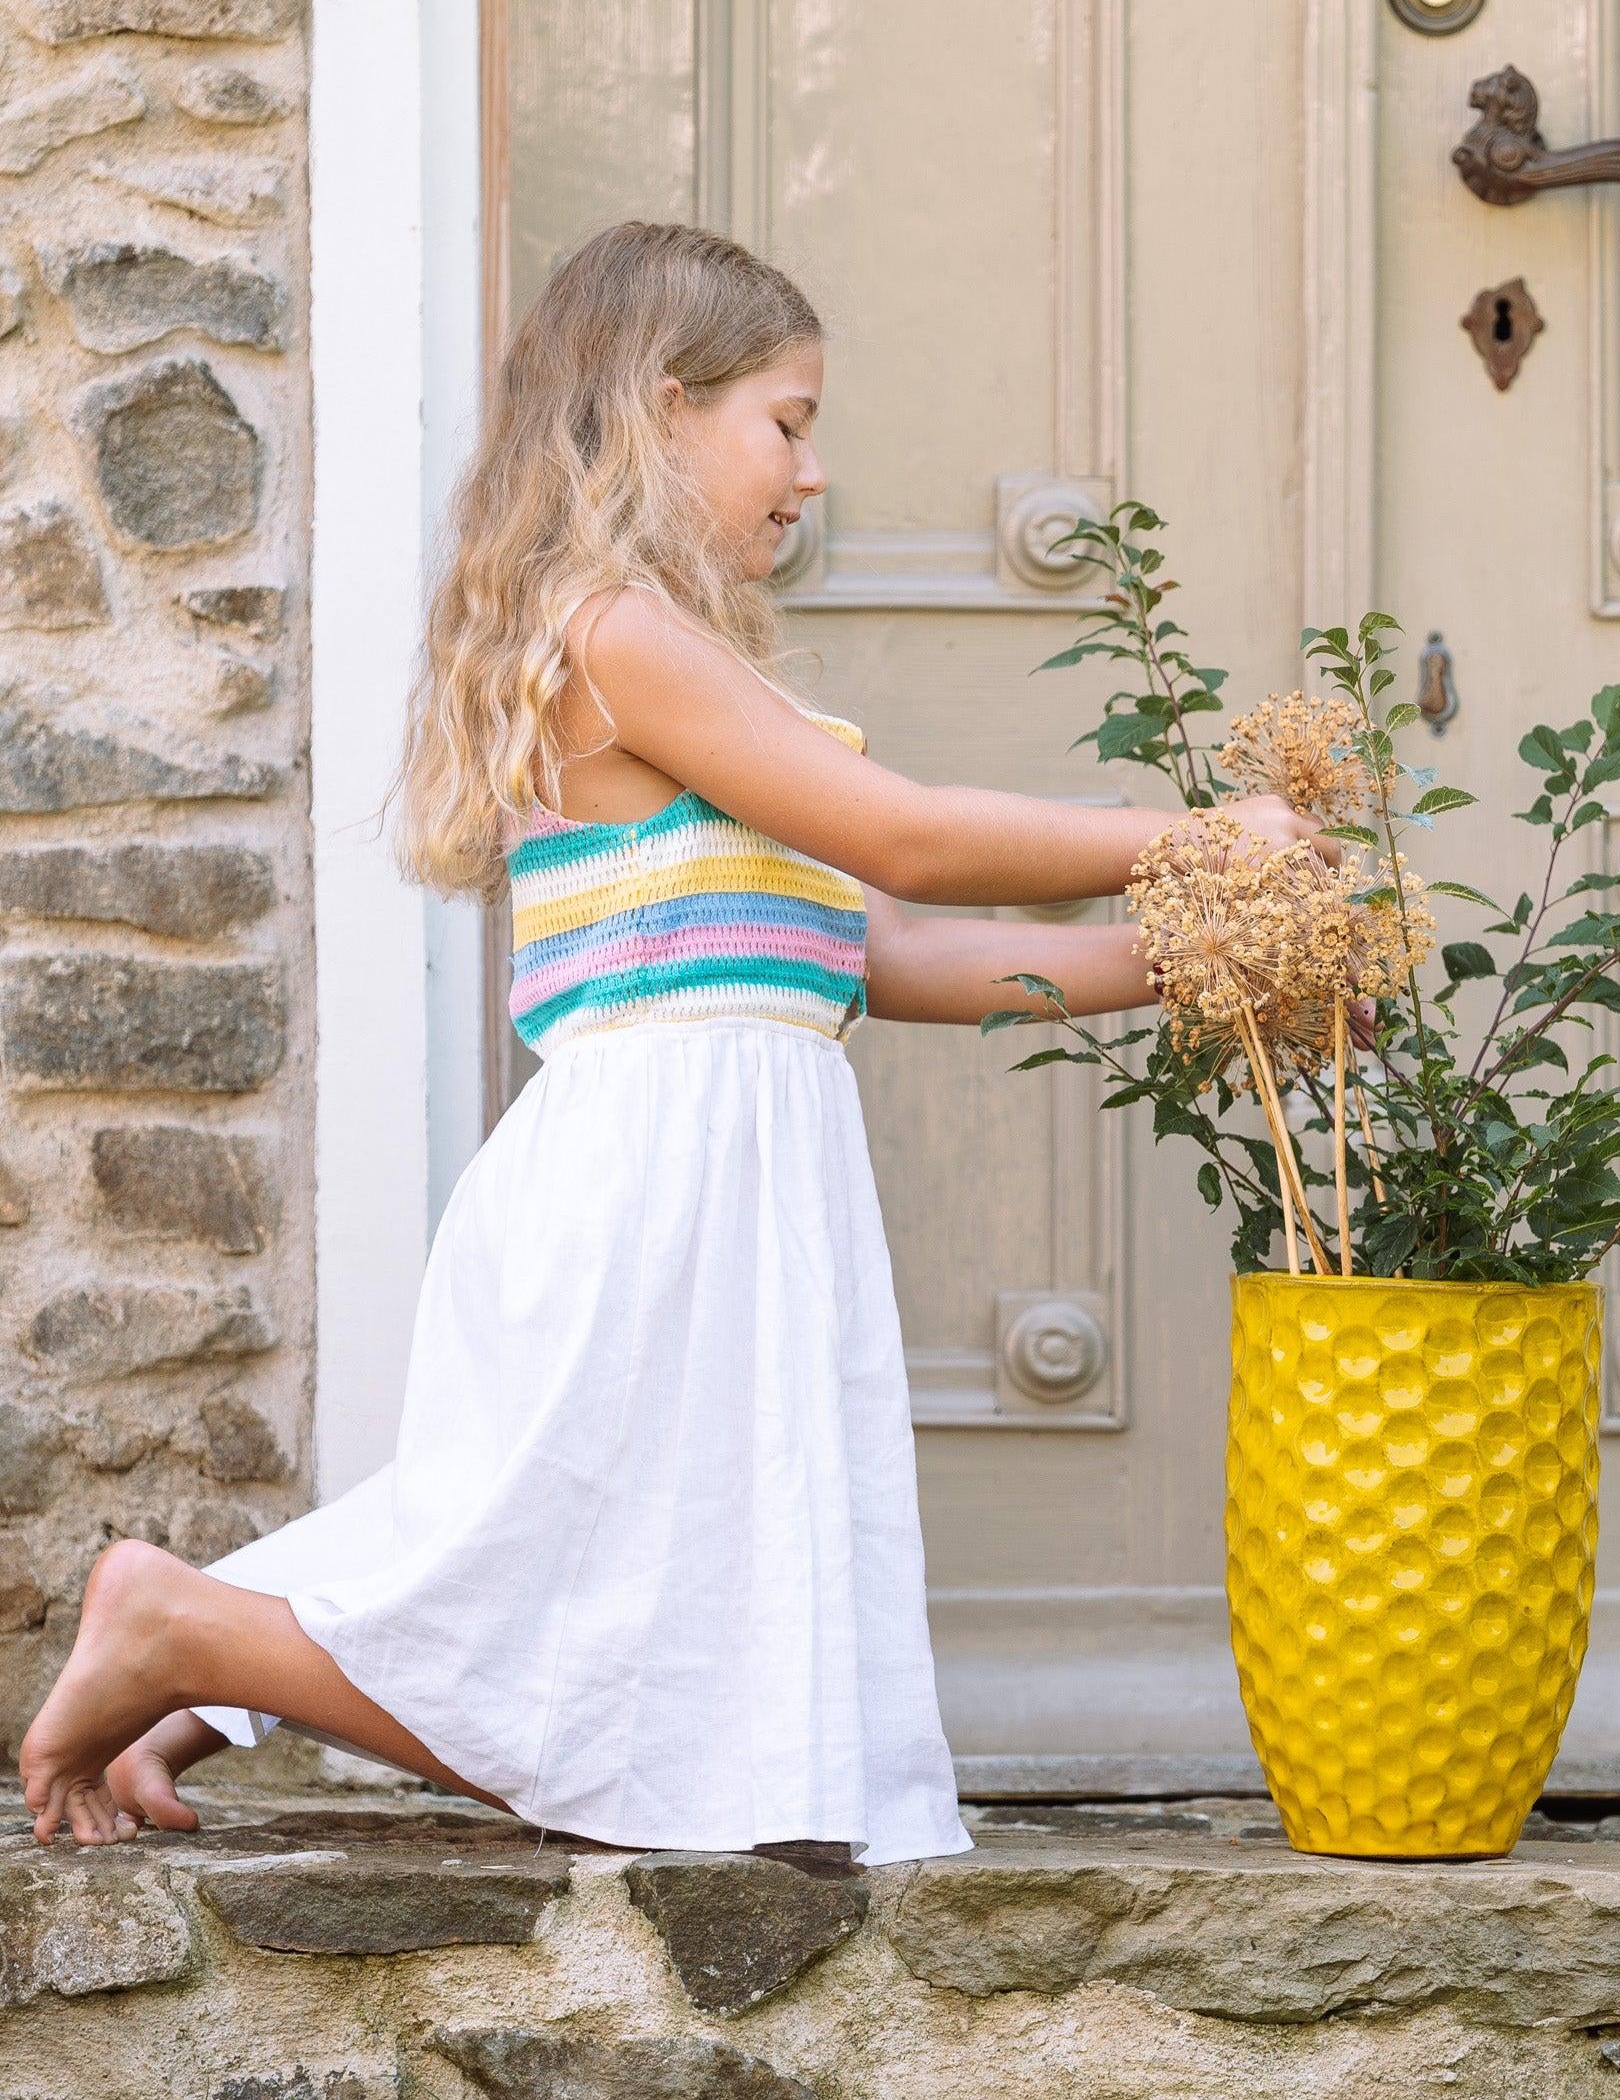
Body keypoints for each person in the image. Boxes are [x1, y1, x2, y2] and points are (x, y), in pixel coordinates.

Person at [16, 221, 1323, 1854]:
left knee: (618, 1625)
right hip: (652, 1175)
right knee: (596, 1653)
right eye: (784, 419)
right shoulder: (610, 634)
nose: (814, 469)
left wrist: (1213, 956)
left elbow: (891, 947)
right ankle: (187, 1629)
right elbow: (909, 842)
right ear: (659, 404)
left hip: (728, 1169)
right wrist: (1197, 837)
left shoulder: (685, 659)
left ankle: (189, 1675)